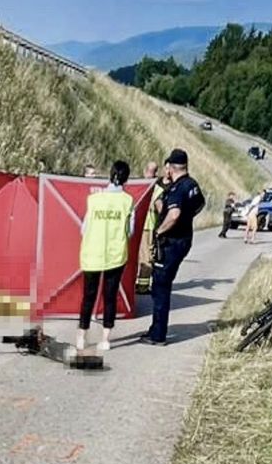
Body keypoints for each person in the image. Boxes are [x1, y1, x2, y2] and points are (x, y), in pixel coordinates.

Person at [142, 149, 204, 346]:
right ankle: (155, 327)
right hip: (184, 239)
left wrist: (160, 231)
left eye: (166, 167)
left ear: (170, 167)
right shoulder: (192, 185)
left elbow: (174, 214)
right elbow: (198, 205)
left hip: (172, 242)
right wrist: (162, 204)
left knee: (160, 287)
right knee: (162, 285)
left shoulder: (178, 188)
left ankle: (158, 334)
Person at [76, 160, 135, 352]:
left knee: (88, 296)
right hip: (115, 254)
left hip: (92, 252)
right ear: (126, 178)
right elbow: (130, 231)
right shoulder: (128, 201)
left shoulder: (94, 199)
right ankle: (106, 339)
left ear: (110, 175)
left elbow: (83, 228)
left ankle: (82, 336)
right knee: (109, 296)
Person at [136, 161, 162, 293]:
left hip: (136, 226)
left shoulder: (136, 186)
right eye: (154, 171)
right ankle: (142, 286)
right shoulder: (156, 189)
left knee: (139, 257)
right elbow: (161, 209)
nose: (155, 174)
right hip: (147, 227)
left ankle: (138, 283)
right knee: (147, 258)